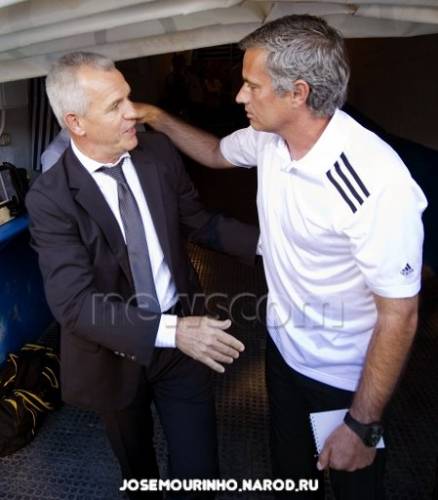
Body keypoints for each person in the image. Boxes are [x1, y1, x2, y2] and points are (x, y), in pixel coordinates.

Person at [130, 14, 428, 499]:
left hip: (342, 377)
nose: (239, 96)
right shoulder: (270, 137)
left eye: (252, 85)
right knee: (291, 476)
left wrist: (363, 423)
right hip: (285, 351)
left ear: (298, 93)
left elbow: (401, 314)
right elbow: (215, 153)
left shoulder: (375, 183)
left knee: (355, 485)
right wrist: (156, 117)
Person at [25, 52, 259, 499]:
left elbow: (200, 222)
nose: (133, 112)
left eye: (128, 97)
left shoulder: (158, 154)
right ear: (76, 123)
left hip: (181, 343)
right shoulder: (50, 198)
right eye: (115, 106)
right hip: (113, 353)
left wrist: (274, 246)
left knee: (200, 475)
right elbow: (74, 304)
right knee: (139, 473)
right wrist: (173, 332)